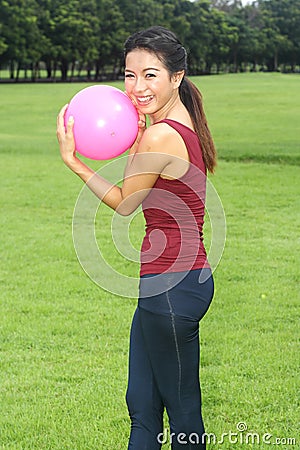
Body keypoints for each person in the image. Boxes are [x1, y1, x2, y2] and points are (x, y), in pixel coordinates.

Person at [57, 26, 217, 450]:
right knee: (142, 406)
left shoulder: (161, 134)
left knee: (181, 414)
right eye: (130, 74)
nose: (137, 86)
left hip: (173, 286)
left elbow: (126, 202)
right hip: (169, 284)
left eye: (150, 75)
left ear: (176, 77)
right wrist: (141, 126)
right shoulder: (176, 126)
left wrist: (74, 162)